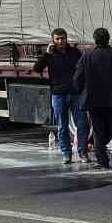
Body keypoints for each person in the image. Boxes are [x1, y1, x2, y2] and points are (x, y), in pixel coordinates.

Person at [74, 26, 112, 169]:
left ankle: (102, 161)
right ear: (108, 39)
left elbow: (77, 79)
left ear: (95, 40)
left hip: (94, 100)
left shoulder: (87, 56)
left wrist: (83, 92)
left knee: (98, 132)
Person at [34, 28, 89, 165]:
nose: (60, 41)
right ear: (53, 40)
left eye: (62, 38)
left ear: (66, 38)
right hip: (58, 95)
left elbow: (83, 69)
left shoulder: (75, 52)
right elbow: (37, 68)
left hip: (76, 93)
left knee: (82, 124)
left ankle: (82, 152)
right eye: (57, 39)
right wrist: (47, 54)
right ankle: (66, 154)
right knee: (62, 126)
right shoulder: (50, 54)